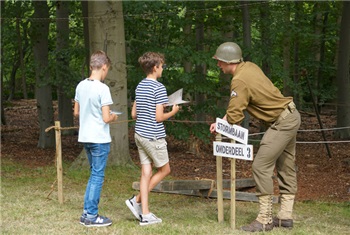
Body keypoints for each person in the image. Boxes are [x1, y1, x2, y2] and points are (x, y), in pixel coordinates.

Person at [210, 42, 301, 232]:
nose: (218, 65)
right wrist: (222, 121)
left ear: (228, 61)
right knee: (286, 166)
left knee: (260, 166)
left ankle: (265, 219)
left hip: (282, 123)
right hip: (291, 115)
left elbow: (235, 115)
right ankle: (285, 216)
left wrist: (223, 122)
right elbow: (237, 108)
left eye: (219, 61)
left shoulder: (239, 80)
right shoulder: (250, 67)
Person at [125, 52, 179, 226]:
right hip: (153, 136)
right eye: (162, 66)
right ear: (155, 67)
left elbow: (134, 114)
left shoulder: (139, 86)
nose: (162, 69)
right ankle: (137, 200)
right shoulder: (159, 88)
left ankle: (145, 213)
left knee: (146, 173)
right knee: (165, 170)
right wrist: (173, 111)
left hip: (139, 134)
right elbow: (158, 117)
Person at [74, 50, 118, 227]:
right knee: (97, 176)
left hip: (85, 136)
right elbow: (107, 118)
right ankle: (91, 215)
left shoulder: (80, 86)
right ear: (104, 67)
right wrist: (114, 117)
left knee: (94, 175)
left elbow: (76, 112)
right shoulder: (103, 88)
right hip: (99, 138)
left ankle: (86, 213)